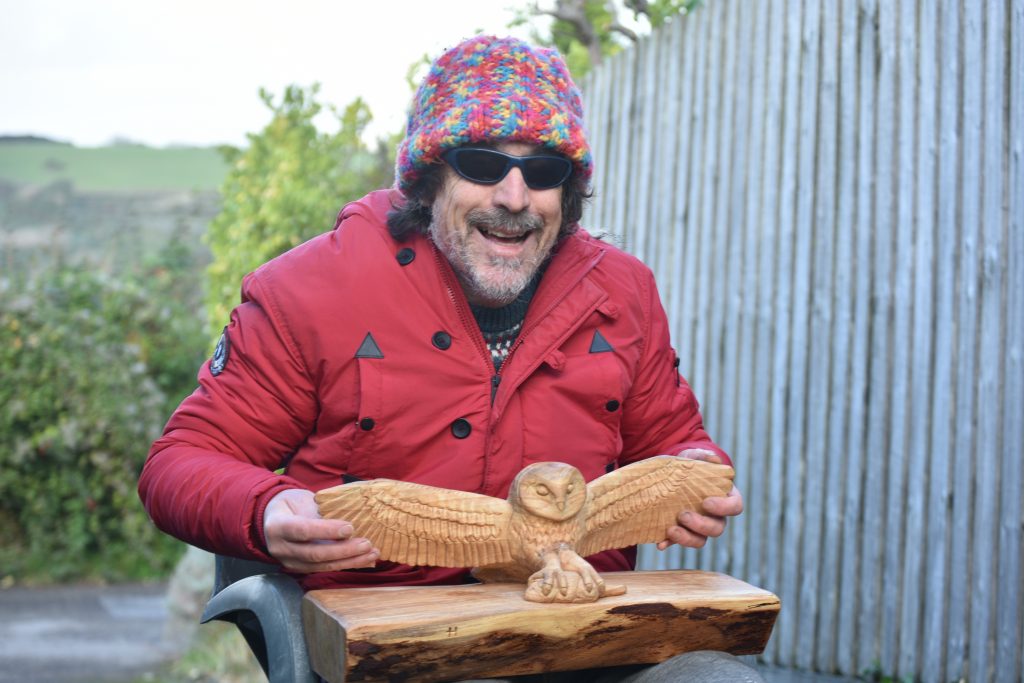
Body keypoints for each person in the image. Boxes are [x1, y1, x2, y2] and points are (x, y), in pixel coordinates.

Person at [139, 34, 759, 682]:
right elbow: (178, 463)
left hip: (584, 645)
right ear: (429, 175)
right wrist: (264, 509)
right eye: (482, 163)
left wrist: (697, 473)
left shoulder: (623, 292)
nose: (515, 196)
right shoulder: (310, 290)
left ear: (567, 191)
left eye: (544, 170)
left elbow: (676, 440)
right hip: (387, 649)